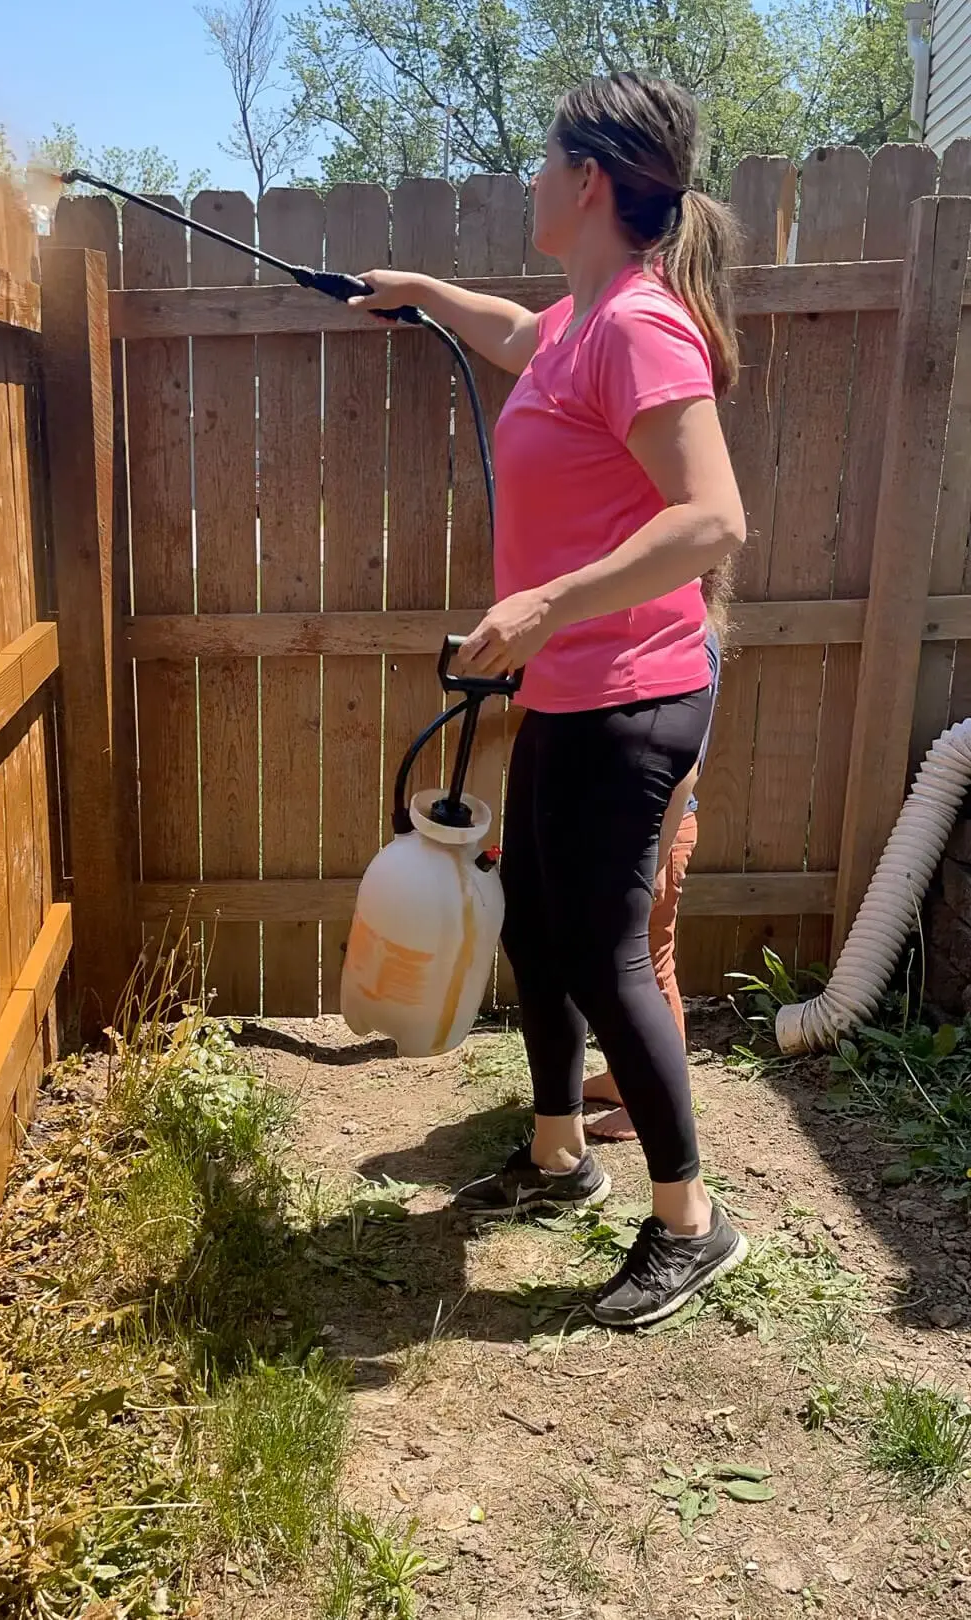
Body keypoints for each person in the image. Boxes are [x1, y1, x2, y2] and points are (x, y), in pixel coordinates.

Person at [352, 71, 748, 1327]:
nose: (529, 177)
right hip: (575, 686)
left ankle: (690, 1220)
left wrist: (542, 606)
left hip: (633, 691)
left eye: (542, 161)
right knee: (533, 924)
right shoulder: (582, 317)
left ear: (588, 182)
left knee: (602, 949)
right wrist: (421, 293)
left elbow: (712, 518)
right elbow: (514, 339)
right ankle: (557, 1155)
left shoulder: (640, 325)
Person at [583, 581, 725, 1142]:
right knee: (618, 961)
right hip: (623, 821)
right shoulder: (657, 638)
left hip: (659, 825)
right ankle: (626, 1078)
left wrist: (659, 853)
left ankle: (656, 1101)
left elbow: (681, 765)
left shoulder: (692, 643)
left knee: (649, 962)